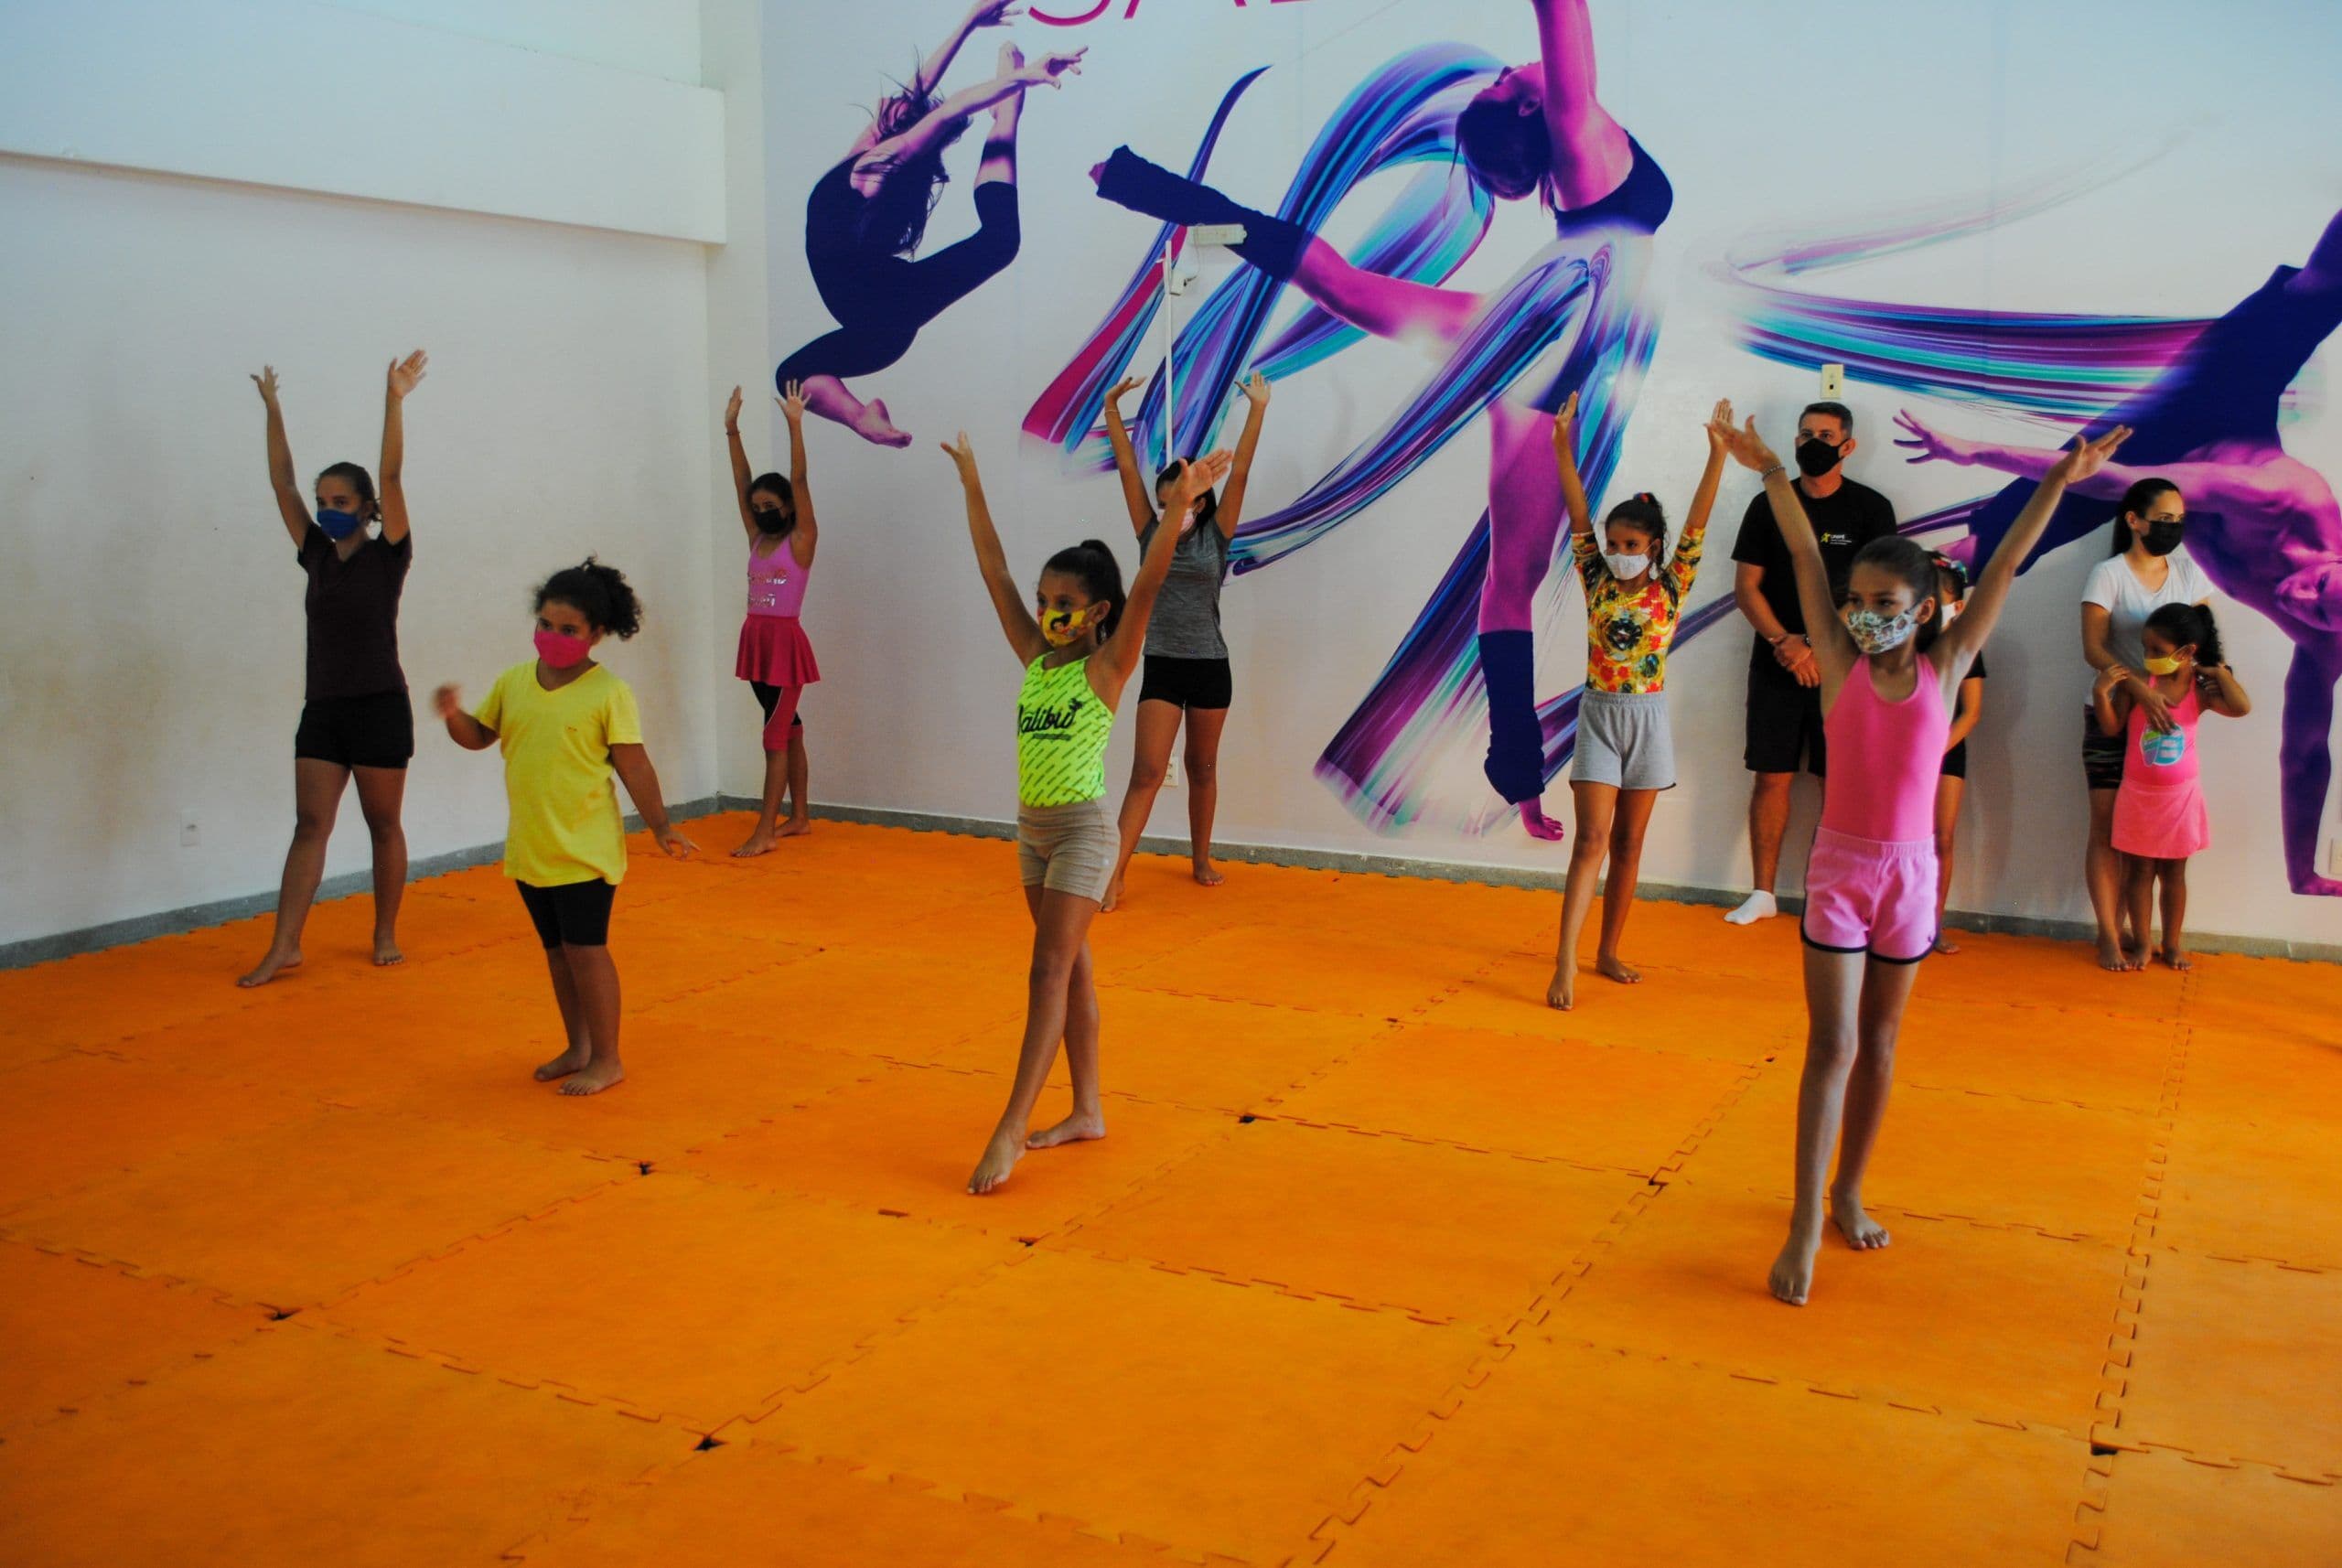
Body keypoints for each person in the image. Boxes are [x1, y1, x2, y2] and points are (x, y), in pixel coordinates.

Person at [1087, 0, 1671, 838]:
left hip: (1532, 338)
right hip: (1569, 322)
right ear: (1533, 109)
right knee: (1510, 578)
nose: (1515, 69)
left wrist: (1145, 184)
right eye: (1513, 79)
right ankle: (1518, 777)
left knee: (1508, 576)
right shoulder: (1578, 138)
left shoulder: (1572, 154)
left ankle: (1520, 782)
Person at [1715, 412, 2133, 1306]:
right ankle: (1800, 1223)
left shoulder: (1947, 666)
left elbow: (2008, 565)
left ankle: (1849, 1188)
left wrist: (2060, 480)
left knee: (1881, 1044)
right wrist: (1768, 474)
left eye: (1883, 604)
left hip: (1908, 880)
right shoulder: (1836, 659)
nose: (1865, 617)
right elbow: (1797, 557)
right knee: (1829, 1044)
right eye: (1855, 602)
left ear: (1923, 609)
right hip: (1837, 871)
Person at [1892, 207, 2342, 900]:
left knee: (1980, 553)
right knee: (2317, 293)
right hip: (2211, 407)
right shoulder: (2284, 500)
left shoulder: (2325, 643)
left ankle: (1889, 658)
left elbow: (2308, 749)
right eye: (2317, 585)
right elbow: (2114, 479)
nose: (2299, 600)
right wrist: (1971, 449)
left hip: (2169, 486)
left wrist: (2303, 869)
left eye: (2318, 613)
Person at [941, 431, 1230, 1195]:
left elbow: (1151, 582)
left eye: (1063, 605)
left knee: (1048, 969)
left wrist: (1178, 509)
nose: (1046, 614)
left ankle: (1011, 1126)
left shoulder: (1109, 664)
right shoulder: (1035, 657)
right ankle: (1088, 1110)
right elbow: (993, 569)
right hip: (1031, 834)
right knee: (1074, 973)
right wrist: (973, 479)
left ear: (1098, 612)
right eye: (1043, 603)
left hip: (1080, 834)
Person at [433, 560, 697, 1097]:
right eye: (546, 626)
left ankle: (608, 1057)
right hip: (533, 846)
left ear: (597, 634)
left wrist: (661, 825)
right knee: (557, 953)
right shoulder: (513, 682)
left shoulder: (608, 693)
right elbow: (480, 736)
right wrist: (453, 716)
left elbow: (634, 764)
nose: (553, 637)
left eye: (569, 630)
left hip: (584, 849)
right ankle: (577, 1046)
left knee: (587, 950)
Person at [776, 3, 1084, 446]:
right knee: (999, 241)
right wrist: (969, 23)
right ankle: (862, 417)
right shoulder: (870, 145)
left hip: (881, 315)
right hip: (880, 321)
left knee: (791, 375)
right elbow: (922, 90)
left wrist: (1021, 78)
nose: (893, 100)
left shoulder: (873, 163)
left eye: (902, 110)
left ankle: (1006, 118)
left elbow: (943, 112)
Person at [239, 351, 428, 988]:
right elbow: (281, 483)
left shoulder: (389, 555)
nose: (326, 509)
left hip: (379, 705)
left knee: (383, 826)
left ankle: (384, 932)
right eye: (324, 501)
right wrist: (274, 410)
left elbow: (394, 474)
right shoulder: (315, 554)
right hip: (323, 709)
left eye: (340, 500)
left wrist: (394, 399)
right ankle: (285, 944)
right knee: (309, 825)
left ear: (368, 506)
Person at [1547, 393, 1730, 1009]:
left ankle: (1608, 950)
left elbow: (1699, 523)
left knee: (1628, 846)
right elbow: (1575, 511)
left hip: (1648, 720)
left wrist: (1718, 456)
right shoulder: (1595, 576)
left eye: (1631, 542)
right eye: (1613, 540)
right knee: (1590, 841)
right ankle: (1565, 963)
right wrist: (1562, 449)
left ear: (1653, 547)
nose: (1620, 550)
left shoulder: (1674, 585)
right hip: (1600, 715)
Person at [1098, 371, 1271, 909]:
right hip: (1162, 665)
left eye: (1191, 498)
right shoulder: (1151, 534)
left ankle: (1200, 858)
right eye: (1173, 498)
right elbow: (1126, 469)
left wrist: (1258, 410)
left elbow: (1238, 474)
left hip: (1210, 665)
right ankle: (1114, 872)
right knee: (1146, 771)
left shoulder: (1217, 538)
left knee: (1203, 767)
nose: (1183, 506)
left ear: (1201, 500)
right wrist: (1110, 413)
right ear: (1164, 501)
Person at [1723, 402, 1897, 925]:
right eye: (1804, 434)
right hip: (1777, 660)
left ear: (1848, 445)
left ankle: (1832, 895)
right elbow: (1746, 587)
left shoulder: (1871, 508)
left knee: (1837, 781)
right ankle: (1762, 894)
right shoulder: (1766, 504)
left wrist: (1823, 647)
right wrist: (1787, 642)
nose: (1812, 442)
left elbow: (1881, 591)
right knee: (1771, 777)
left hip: (1843, 668)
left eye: (1825, 434)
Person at [2094, 603, 2251, 972]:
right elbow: (2113, 727)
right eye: (2146, 648)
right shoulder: (2137, 684)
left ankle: (2172, 944)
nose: (2148, 657)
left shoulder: (2199, 689)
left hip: (2180, 800)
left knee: (2174, 875)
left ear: (2187, 652)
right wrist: (2103, 694)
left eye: (2158, 651)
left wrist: (2218, 672)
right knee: (2139, 874)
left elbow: (2241, 707)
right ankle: (2144, 944)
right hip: (2138, 797)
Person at [725, 381, 822, 855]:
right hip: (756, 638)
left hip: (783, 644)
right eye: (757, 508)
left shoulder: (800, 540)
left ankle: (765, 831)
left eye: (772, 507)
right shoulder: (756, 537)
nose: (762, 513)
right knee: (789, 726)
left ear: (788, 508)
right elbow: (742, 485)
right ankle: (799, 816)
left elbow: (799, 481)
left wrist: (795, 425)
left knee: (774, 735)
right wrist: (731, 431)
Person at [1930, 555, 1987, 954]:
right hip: (1900, 755)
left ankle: (1932, 925)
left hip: (1945, 750)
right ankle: (1890, 920)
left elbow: (1971, 713)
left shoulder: (1966, 648)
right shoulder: (1899, 645)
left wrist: (1933, 750)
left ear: (1958, 605)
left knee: (1941, 839)